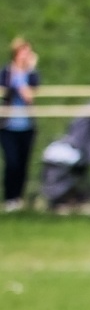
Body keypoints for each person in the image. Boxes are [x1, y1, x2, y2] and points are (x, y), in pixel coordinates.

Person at [1, 38, 40, 211]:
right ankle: (9, 198)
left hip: (27, 126)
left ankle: (19, 198)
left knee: (24, 163)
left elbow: (29, 97)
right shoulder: (6, 73)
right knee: (12, 162)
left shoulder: (32, 75)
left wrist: (27, 71)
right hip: (8, 126)